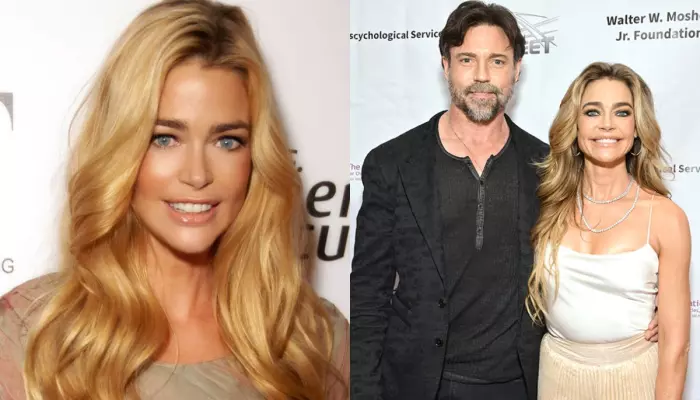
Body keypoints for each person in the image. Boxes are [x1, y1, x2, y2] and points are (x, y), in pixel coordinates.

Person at [0, 1, 348, 399]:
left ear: (256, 158)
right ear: (121, 148)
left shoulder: (314, 341)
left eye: (227, 141)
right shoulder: (30, 336)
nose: (197, 175)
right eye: (165, 138)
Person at [350, 2, 658, 400]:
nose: (482, 75)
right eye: (467, 59)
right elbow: (368, 296)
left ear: (516, 70)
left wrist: (651, 300)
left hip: (519, 384)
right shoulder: (392, 164)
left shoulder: (549, 167)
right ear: (445, 66)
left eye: (497, 61)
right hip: (415, 384)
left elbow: (607, 234)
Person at [527, 62, 690, 400]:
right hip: (556, 377)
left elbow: (675, 348)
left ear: (637, 127)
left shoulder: (665, 217)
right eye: (592, 111)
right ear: (574, 123)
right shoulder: (546, 203)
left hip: (636, 379)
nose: (606, 124)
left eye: (622, 112)